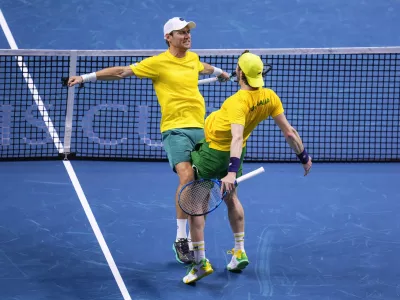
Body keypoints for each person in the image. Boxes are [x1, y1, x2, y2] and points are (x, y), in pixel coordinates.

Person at [68, 17, 230, 264]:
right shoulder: (157, 63)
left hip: (201, 128)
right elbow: (122, 72)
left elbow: (203, 67)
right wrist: (86, 77)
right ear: (168, 37)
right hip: (175, 130)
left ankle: (198, 242)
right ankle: (180, 239)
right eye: (181, 33)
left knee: (201, 185)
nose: (187, 36)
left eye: (188, 32)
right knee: (186, 176)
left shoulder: (193, 59)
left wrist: (220, 73)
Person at [182, 50, 312, 284]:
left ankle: (200, 262)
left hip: (214, 154)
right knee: (232, 198)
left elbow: (237, 137)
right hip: (236, 155)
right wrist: (303, 156)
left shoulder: (236, 103)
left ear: (240, 73)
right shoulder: (270, 96)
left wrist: (230, 173)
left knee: (197, 205)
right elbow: (289, 132)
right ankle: (239, 251)